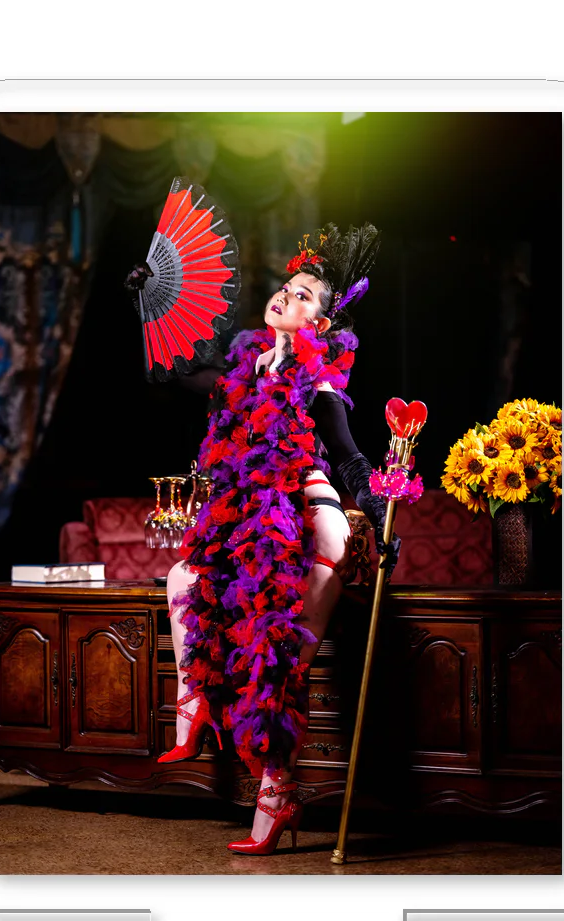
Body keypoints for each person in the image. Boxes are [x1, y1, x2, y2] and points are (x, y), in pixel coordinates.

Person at [127, 223, 399, 855]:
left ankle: (275, 797)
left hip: (312, 519)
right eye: (287, 286)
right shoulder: (244, 375)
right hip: (255, 519)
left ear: (321, 324)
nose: (285, 296)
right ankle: (193, 701)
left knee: (276, 664)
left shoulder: (319, 384)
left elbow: (350, 460)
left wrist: (378, 512)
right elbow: (174, 373)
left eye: (304, 295)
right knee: (184, 577)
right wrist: (146, 303)